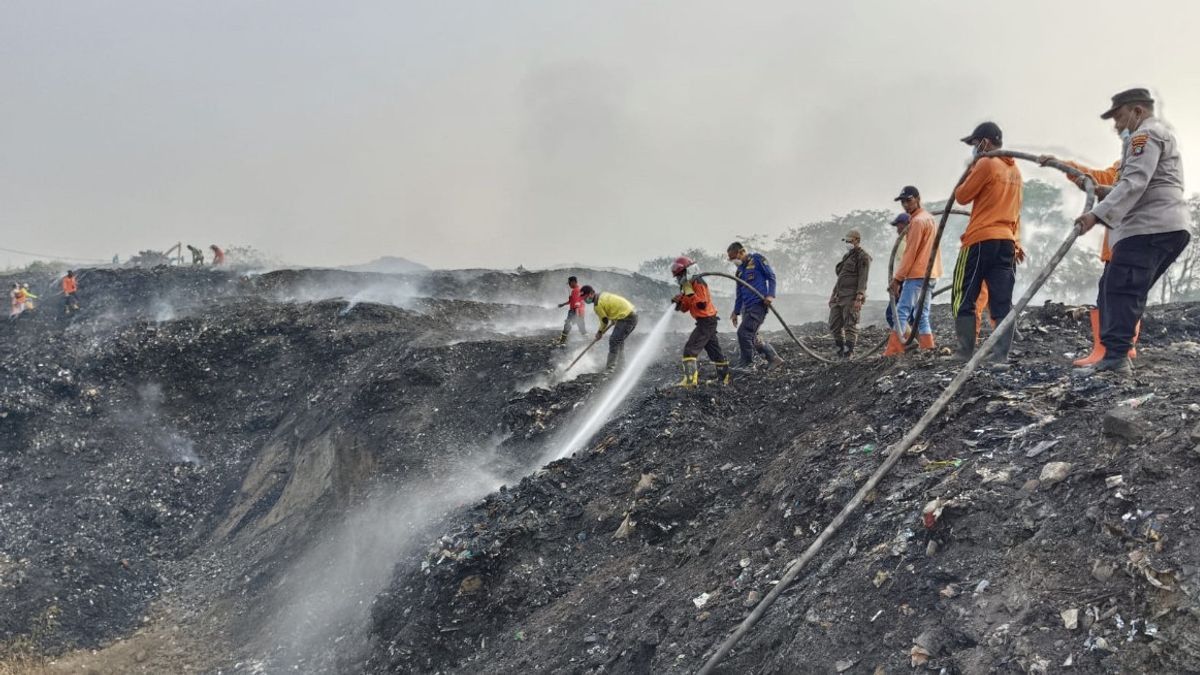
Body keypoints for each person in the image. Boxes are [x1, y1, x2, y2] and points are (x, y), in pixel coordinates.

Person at [1073, 88, 1190, 377]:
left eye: (1119, 117)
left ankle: (1115, 359)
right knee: (1120, 288)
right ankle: (1115, 355)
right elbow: (1144, 183)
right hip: (1164, 225)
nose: (1116, 126)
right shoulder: (1154, 135)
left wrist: (1095, 215)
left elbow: (1135, 182)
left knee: (1121, 289)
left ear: (1137, 111)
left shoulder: (1143, 136)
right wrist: (1105, 191)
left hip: (1148, 227)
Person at [1036, 155, 1139, 366]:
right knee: (1126, 297)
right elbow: (1094, 178)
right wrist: (1065, 166)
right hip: (1132, 246)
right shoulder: (1124, 167)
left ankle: (1105, 351)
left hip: (1125, 245)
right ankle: (1124, 348)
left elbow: (1104, 183)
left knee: (1109, 299)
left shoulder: (1136, 168)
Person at [952, 121, 1024, 362]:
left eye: (974, 144)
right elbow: (1017, 211)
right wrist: (1017, 242)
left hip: (980, 240)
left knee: (965, 295)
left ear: (985, 142)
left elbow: (961, 196)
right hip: (1006, 242)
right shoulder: (1015, 171)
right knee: (1001, 301)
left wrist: (973, 167)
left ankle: (964, 352)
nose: (973, 149)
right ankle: (1000, 356)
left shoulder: (986, 163)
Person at [884, 186, 942, 356]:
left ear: (918, 198)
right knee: (921, 314)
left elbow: (910, 253)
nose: (906, 205)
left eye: (908, 200)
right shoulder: (930, 218)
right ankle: (928, 347)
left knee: (901, 310)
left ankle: (893, 350)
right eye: (903, 202)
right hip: (931, 273)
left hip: (917, 274)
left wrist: (898, 279)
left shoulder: (916, 222)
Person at [670, 256, 730, 386]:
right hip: (707, 321)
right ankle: (723, 379)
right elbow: (685, 308)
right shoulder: (688, 286)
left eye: (680, 275)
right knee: (714, 350)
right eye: (677, 276)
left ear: (688, 271)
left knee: (690, 349)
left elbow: (701, 304)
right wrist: (678, 302)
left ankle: (690, 381)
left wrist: (689, 294)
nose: (679, 278)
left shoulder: (698, 282)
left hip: (706, 321)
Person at [727, 242, 783, 369]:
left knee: (744, 333)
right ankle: (774, 359)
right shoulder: (739, 271)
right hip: (746, 308)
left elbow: (771, 277)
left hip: (758, 305)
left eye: (735, 258)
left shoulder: (757, 260)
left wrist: (770, 295)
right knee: (753, 336)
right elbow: (739, 293)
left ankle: (748, 364)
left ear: (741, 252)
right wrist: (736, 312)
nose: (734, 261)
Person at [828, 229, 871, 359]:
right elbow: (841, 277)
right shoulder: (847, 256)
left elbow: (863, 278)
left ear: (857, 241)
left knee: (850, 326)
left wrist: (859, 297)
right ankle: (840, 351)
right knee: (834, 325)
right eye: (846, 241)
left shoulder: (863, 257)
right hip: (839, 296)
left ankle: (848, 354)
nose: (847, 243)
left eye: (850, 241)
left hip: (851, 297)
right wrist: (833, 296)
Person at [580, 285, 638, 372]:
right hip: (632, 314)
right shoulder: (602, 295)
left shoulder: (597, 305)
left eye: (585, 297)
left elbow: (604, 321)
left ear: (592, 293)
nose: (585, 300)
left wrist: (600, 332)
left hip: (626, 317)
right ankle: (621, 366)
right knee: (619, 341)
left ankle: (610, 369)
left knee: (614, 340)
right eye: (583, 298)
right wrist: (615, 318)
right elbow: (612, 307)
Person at [555, 276, 587, 346]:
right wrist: (563, 304)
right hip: (580, 311)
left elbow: (577, 304)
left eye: (569, 283)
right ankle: (587, 341)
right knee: (581, 327)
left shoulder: (575, 291)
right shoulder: (578, 289)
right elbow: (572, 301)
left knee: (567, 325)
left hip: (575, 311)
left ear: (573, 282)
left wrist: (576, 314)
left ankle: (562, 341)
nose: (569, 285)